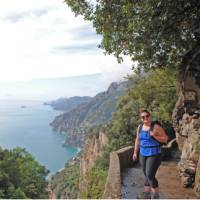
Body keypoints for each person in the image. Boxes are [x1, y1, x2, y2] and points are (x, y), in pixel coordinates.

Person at [132, 109, 169, 199]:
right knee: (146, 174)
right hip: (142, 153)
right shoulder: (140, 127)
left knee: (149, 175)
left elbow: (166, 139)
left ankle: (156, 195)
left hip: (154, 153)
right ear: (141, 118)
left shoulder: (155, 126)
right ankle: (147, 194)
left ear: (150, 116)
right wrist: (135, 152)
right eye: (143, 117)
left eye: (147, 116)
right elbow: (138, 140)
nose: (145, 118)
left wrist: (154, 135)